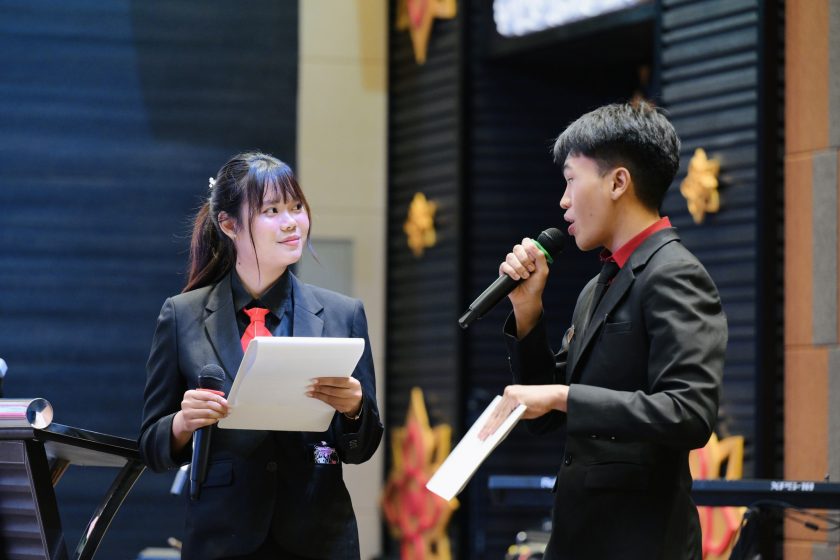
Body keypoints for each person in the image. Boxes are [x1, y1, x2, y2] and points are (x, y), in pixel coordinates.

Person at [479, 102, 727, 559]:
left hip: (642, 544)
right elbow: (546, 416)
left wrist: (564, 396)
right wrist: (527, 309)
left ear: (618, 182)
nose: (563, 200)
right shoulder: (596, 287)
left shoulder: (674, 273)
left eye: (571, 180)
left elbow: (689, 412)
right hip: (581, 539)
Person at [139, 152, 383, 560]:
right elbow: (150, 446)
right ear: (229, 224)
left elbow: (363, 448)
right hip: (222, 539)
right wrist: (183, 422)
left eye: (297, 207)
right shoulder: (182, 316)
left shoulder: (342, 314)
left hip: (319, 537)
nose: (292, 222)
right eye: (272, 210)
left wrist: (356, 410)